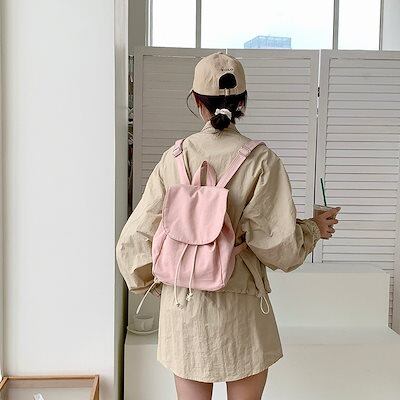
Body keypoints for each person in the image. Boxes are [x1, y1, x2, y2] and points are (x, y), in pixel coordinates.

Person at [116, 52, 340, 400]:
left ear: (197, 102)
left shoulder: (174, 158)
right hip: (241, 307)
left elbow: (133, 241)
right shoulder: (262, 161)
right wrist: (312, 229)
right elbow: (279, 247)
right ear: (243, 103)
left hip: (185, 306)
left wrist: (166, 281)